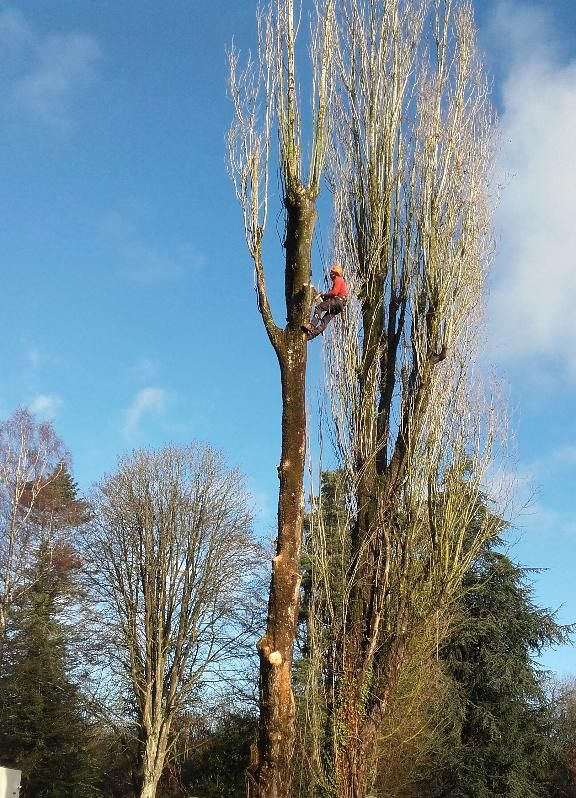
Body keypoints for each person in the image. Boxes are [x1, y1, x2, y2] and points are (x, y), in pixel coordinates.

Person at [302, 263, 348, 340]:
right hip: (340, 305)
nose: (330, 274)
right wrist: (325, 298)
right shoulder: (341, 282)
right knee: (324, 321)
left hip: (337, 300)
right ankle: (311, 336)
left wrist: (323, 295)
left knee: (319, 307)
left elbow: (334, 292)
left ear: (334, 273)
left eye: (331, 272)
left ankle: (312, 325)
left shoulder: (338, 279)